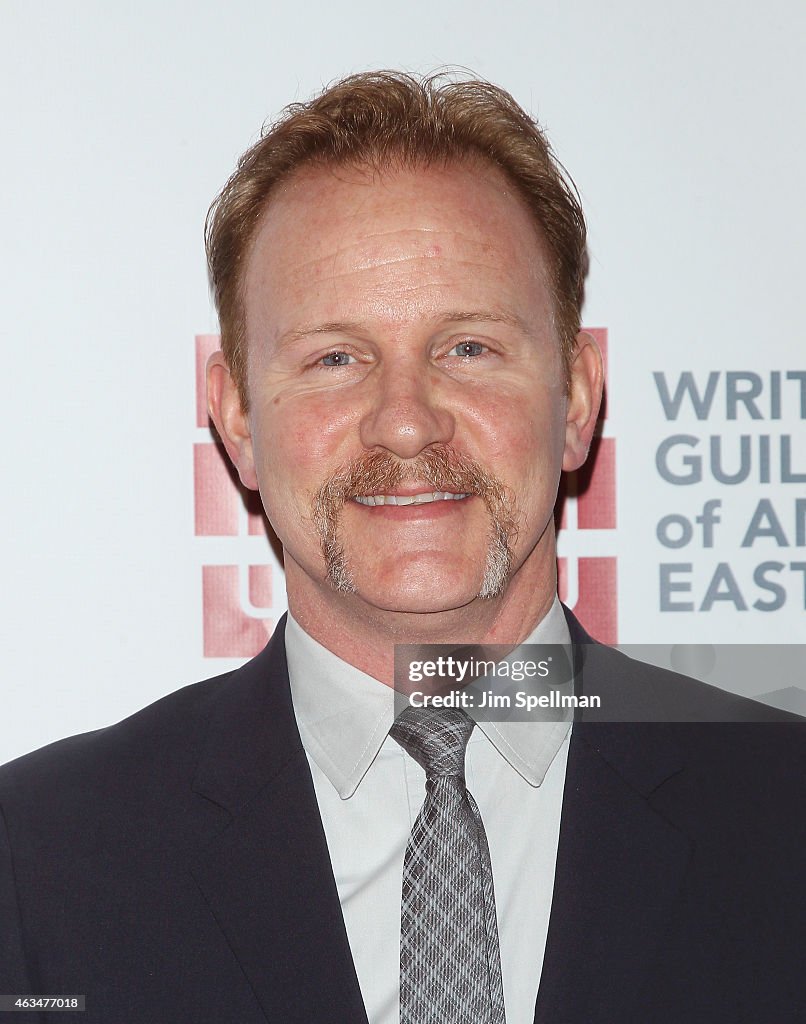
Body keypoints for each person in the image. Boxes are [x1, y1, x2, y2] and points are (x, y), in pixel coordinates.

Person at [0, 71, 803, 1024]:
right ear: (238, 418)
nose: (406, 425)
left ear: (578, 398)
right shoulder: (34, 860)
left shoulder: (785, 818)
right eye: (335, 358)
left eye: (468, 347)